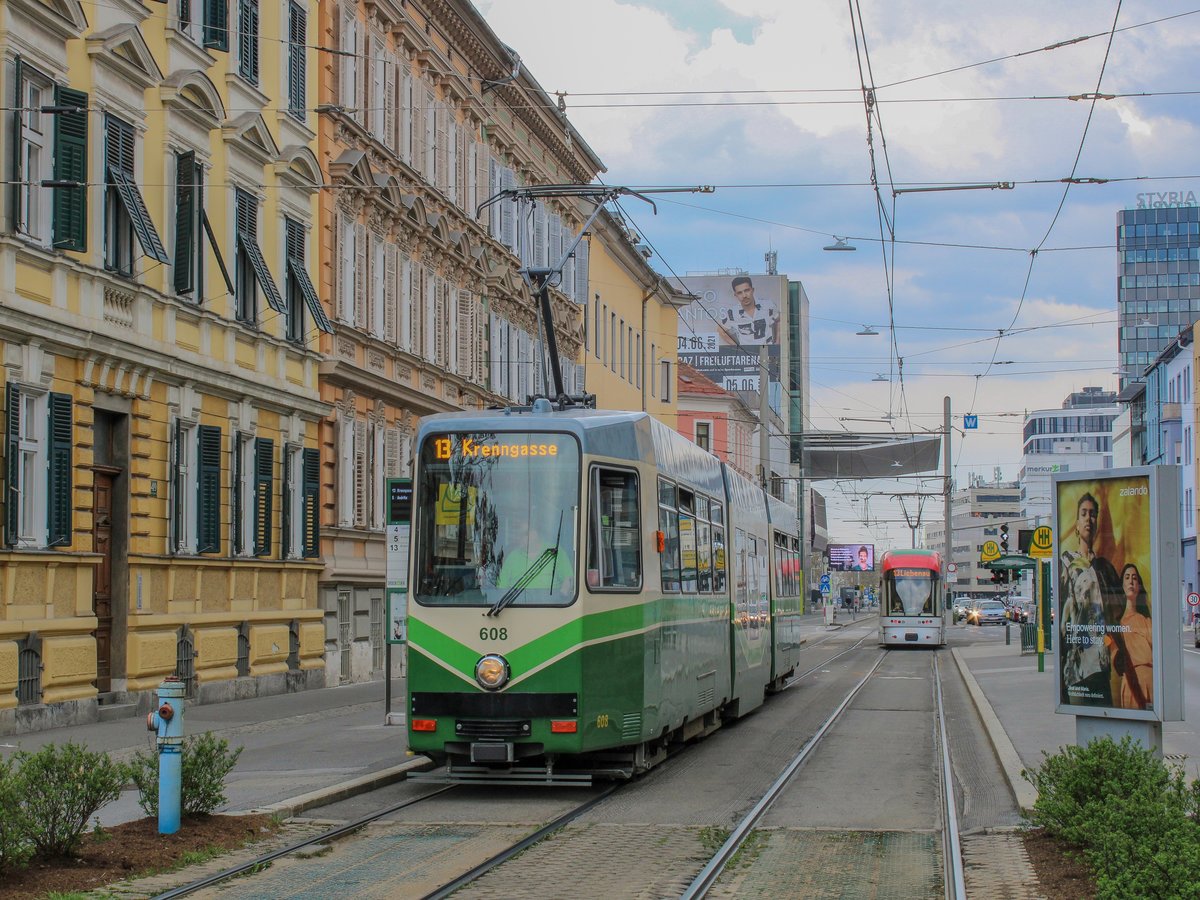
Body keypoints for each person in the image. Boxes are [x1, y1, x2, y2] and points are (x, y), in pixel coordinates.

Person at [1059, 492, 1120, 705]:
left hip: (1101, 665)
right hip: (1076, 667)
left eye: (1093, 514)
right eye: (1084, 513)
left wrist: (1114, 647)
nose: (1088, 518)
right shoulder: (1067, 562)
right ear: (1077, 524)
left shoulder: (1105, 568)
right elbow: (1064, 621)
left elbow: (1114, 616)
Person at [1104, 563, 1153, 710]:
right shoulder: (1115, 625)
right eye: (1127, 577)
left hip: (1151, 681)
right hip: (1131, 683)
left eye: (1134, 578)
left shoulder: (1147, 621)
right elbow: (1115, 658)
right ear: (1122, 585)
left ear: (1139, 586)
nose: (1131, 581)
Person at [718, 276, 780, 346]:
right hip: (747, 352)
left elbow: (779, 320)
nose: (744, 295)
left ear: (752, 290)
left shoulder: (768, 305)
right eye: (739, 293)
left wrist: (777, 342)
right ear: (735, 295)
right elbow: (721, 330)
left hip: (767, 350)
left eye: (747, 290)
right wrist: (737, 347)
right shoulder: (732, 313)